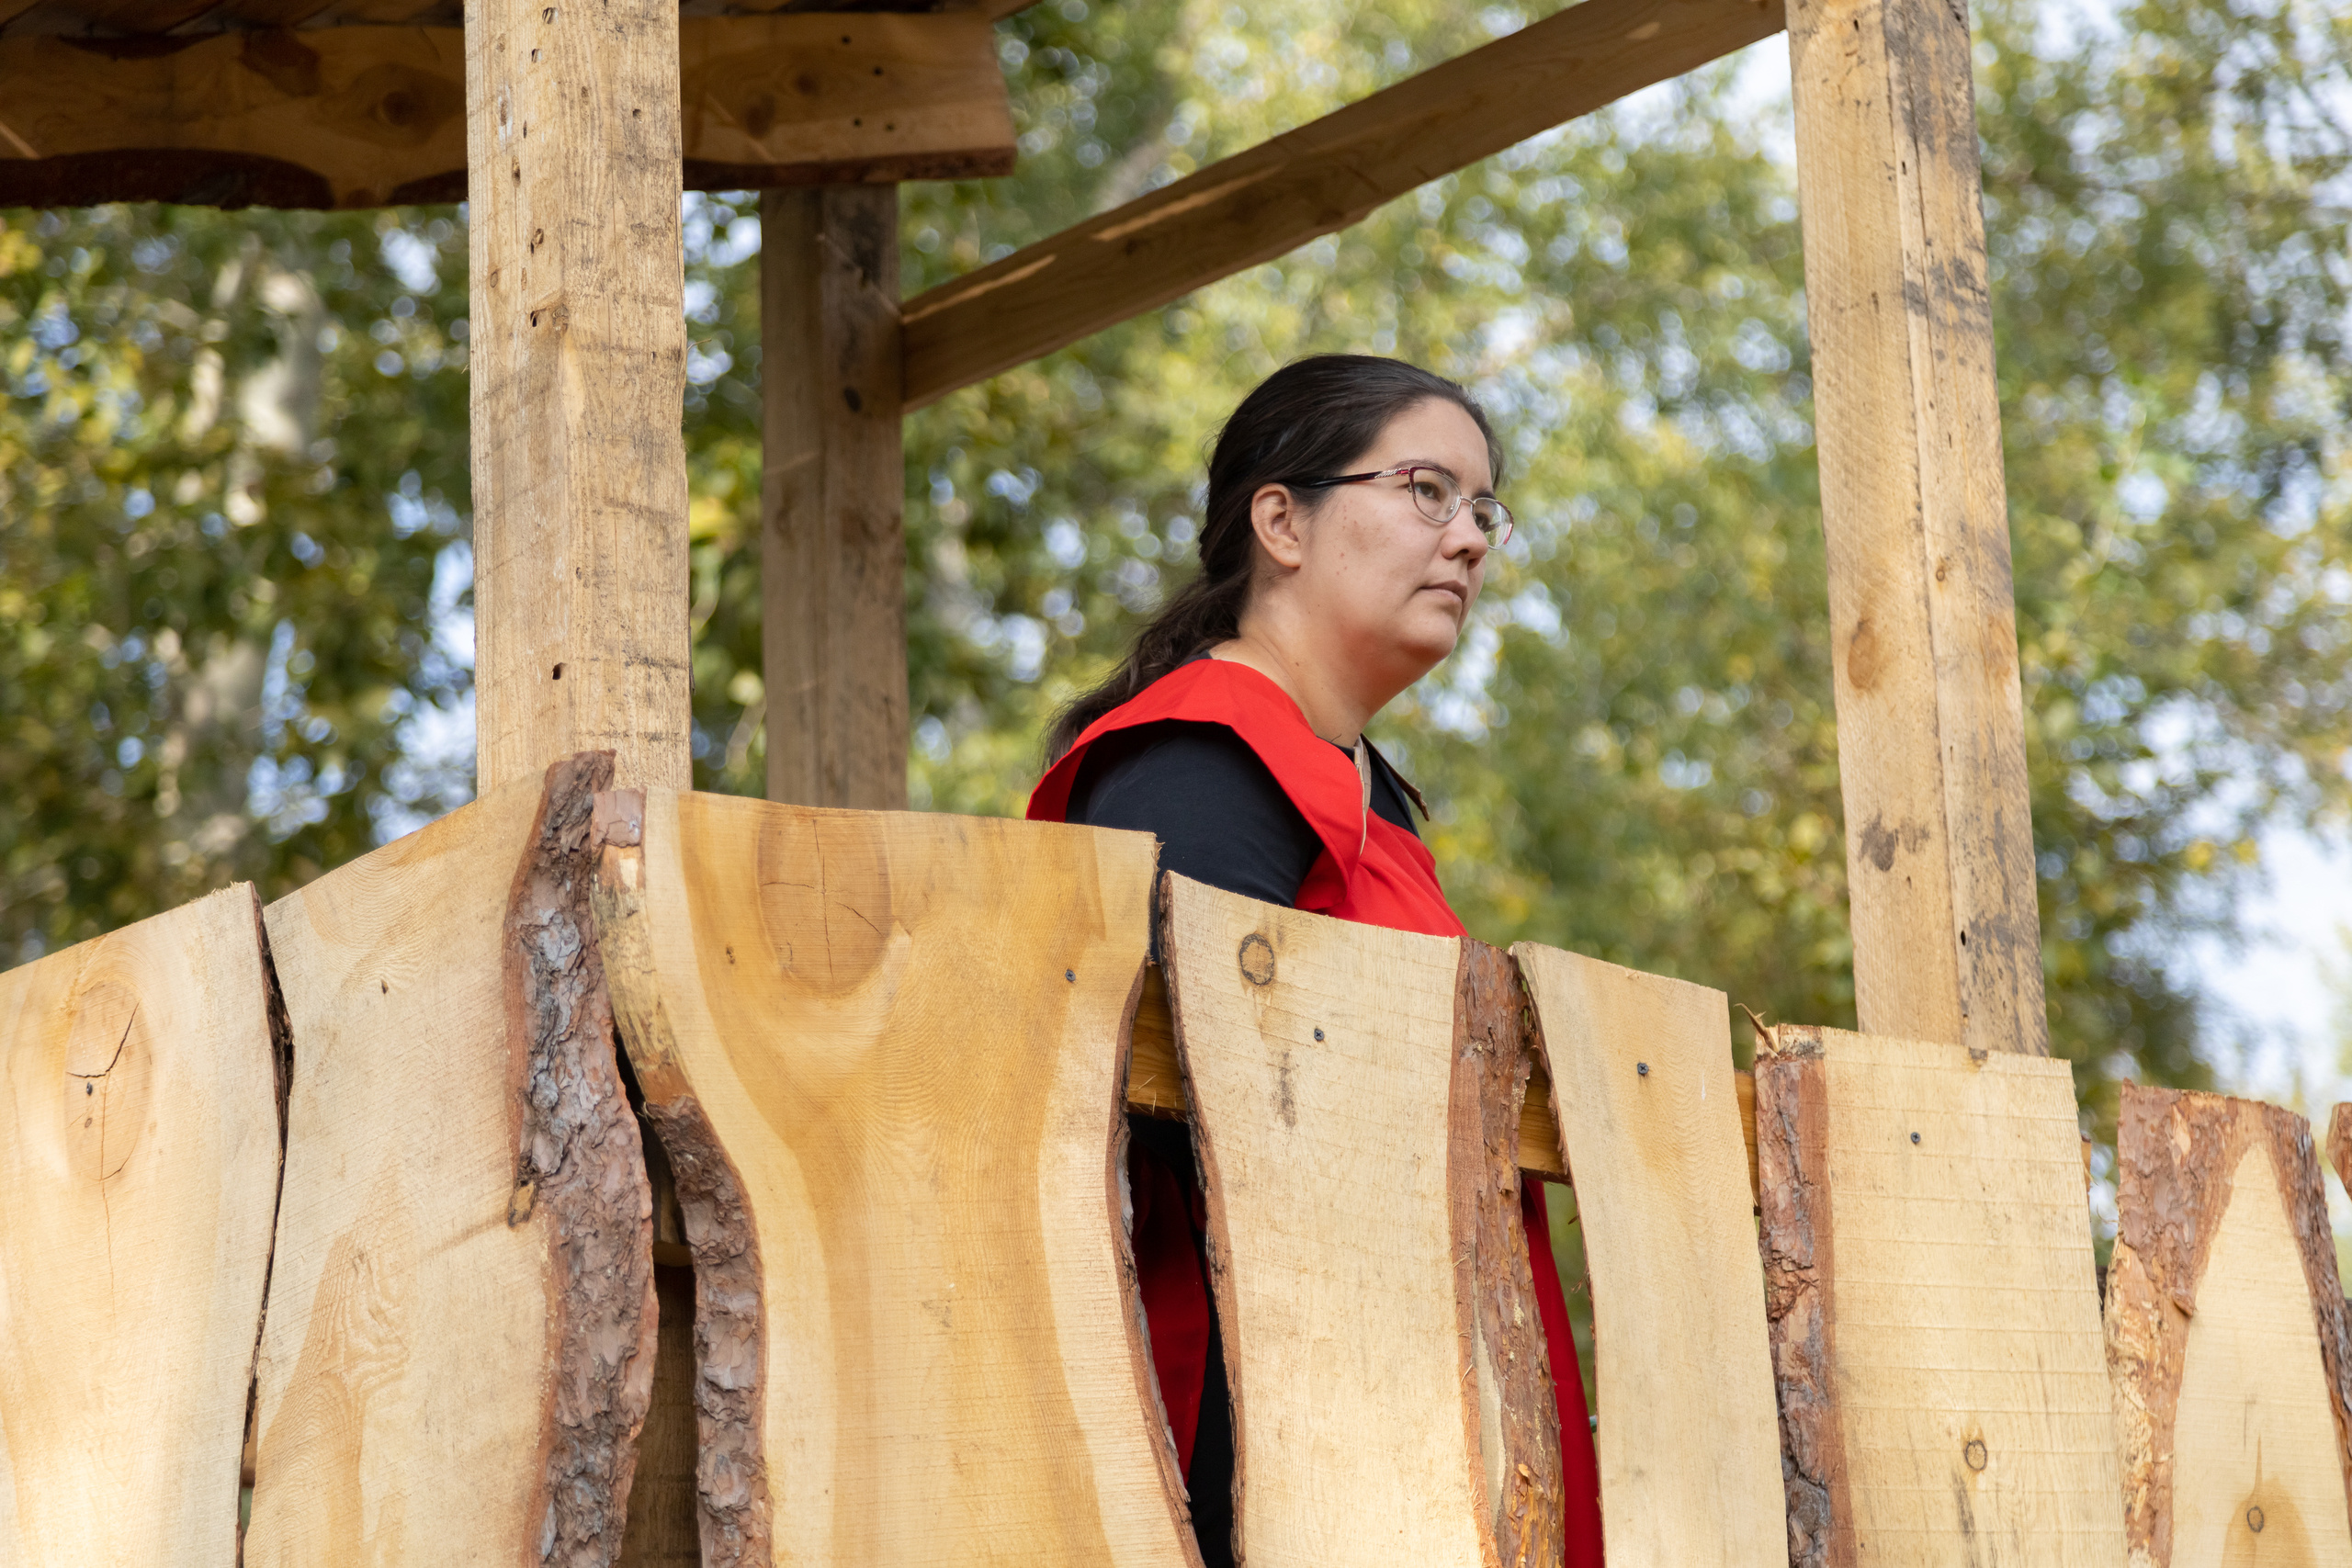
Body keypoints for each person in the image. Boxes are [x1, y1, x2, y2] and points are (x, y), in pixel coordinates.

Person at [1025, 355, 1604, 1567]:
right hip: (1274, 1441)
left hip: (1396, 1416)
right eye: (1426, 490)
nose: (1469, 540)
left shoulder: (1362, 789)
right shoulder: (1203, 757)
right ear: (1281, 522)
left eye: (1483, 509)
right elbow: (1171, 1117)